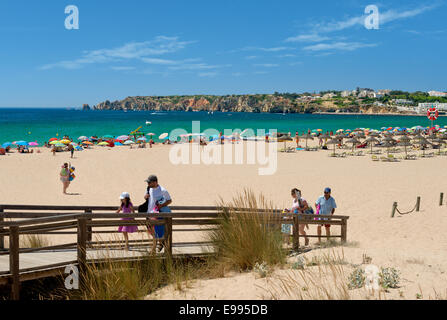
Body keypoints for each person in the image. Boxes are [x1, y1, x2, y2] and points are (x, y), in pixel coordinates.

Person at [145, 175, 172, 254]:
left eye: (149, 182)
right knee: (151, 231)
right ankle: (161, 243)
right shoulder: (149, 189)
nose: (148, 184)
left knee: (155, 232)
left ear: (155, 182)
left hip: (157, 214)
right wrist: (145, 197)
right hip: (149, 213)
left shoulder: (163, 190)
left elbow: (169, 200)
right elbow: (148, 198)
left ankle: (154, 249)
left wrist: (161, 205)